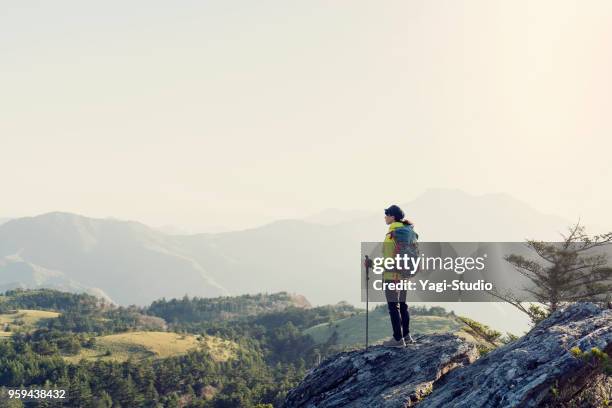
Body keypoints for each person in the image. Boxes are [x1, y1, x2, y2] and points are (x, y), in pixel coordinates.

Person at [381, 205, 417, 348]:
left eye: (386, 215)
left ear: (392, 217)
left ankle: (397, 339)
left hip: (392, 275)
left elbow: (388, 259)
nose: (385, 217)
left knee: (393, 306)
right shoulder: (409, 232)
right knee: (403, 305)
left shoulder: (392, 235)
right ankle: (406, 336)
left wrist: (372, 265)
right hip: (404, 275)